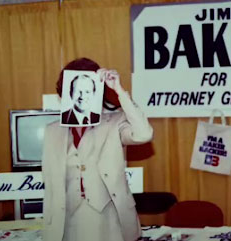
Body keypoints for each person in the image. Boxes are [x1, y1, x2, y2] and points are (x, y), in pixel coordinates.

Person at [42, 58, 153, 241]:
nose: (82, 95)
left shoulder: (115, 122)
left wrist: (118, 89)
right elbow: (50, 186)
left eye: (88, 90)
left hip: (109, 221)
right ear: (66, 93)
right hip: (68, 223)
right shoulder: (52, 131)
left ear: (97, 92)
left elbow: (144, 134)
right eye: (77, 90)